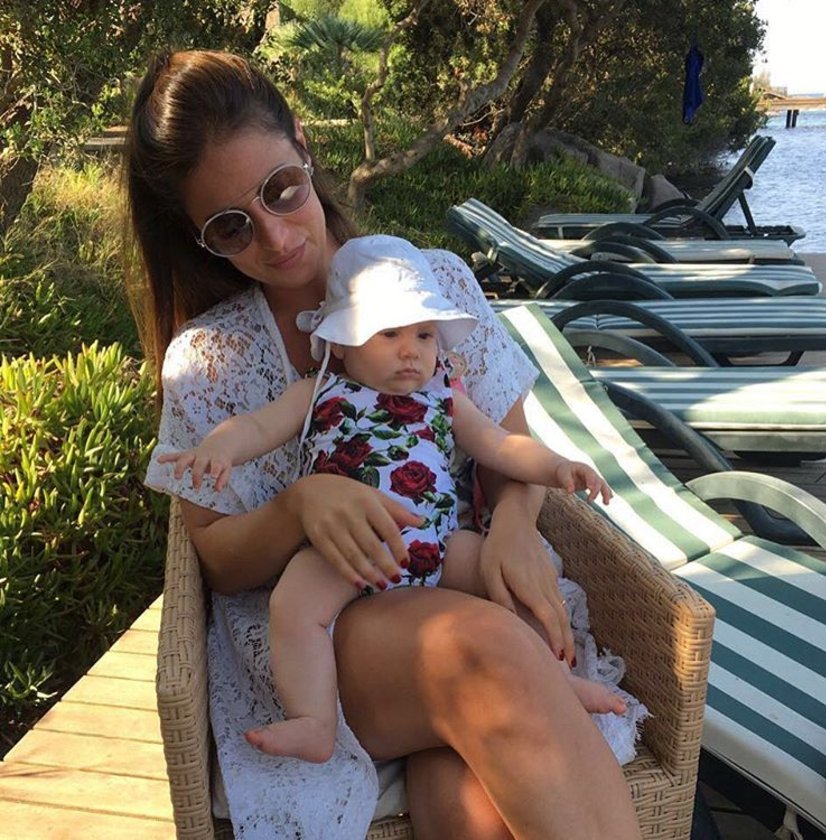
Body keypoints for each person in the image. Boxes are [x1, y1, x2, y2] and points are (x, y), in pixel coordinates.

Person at [131, 48, 643, 839]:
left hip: (454, 571)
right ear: (200, 239)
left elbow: (507, 444)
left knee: (477, 811)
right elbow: (219, 562)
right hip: (323, 632)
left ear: (304, 148)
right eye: (232, 226)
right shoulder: (210, 360)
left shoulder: (436, 287)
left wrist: (513, 529)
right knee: (485, 650)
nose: (276, 236)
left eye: (281, 189)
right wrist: (301, 505)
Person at [158, 234, 624, 763]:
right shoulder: (319, 392)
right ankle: (314, 719)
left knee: (512, 583)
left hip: (437, 544)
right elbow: (258, 427)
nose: (411, 350)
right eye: (389, 333)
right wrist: (219, 449)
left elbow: (501, 446)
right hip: (346, 552)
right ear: (341, 342)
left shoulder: (444, 398)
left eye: (425, 334)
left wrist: (557, 466)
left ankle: (557, 679)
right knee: (293, 606)